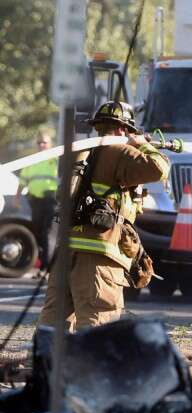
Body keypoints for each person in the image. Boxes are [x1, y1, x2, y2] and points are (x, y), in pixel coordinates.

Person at [38, 101, 170, 330]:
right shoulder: (121, 152)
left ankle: (46, 365)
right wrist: (143, 145)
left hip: (67, 252)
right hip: (98, 256)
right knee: (98, 321)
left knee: (53, 323)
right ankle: (88, 367)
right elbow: (159, 168)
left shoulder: (85, 152)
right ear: (123, 129)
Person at [18, 133, 59, 274]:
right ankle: (41, 264)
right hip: (35, 201)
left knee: (47, 232)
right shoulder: (32, 160)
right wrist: (17, 198)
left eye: (45, 142)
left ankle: (46, 268)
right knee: (38, 232)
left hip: (50, 201)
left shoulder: (55, 159)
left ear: (50, 144)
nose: (41, 145)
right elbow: (23, 181)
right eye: (39, 142)